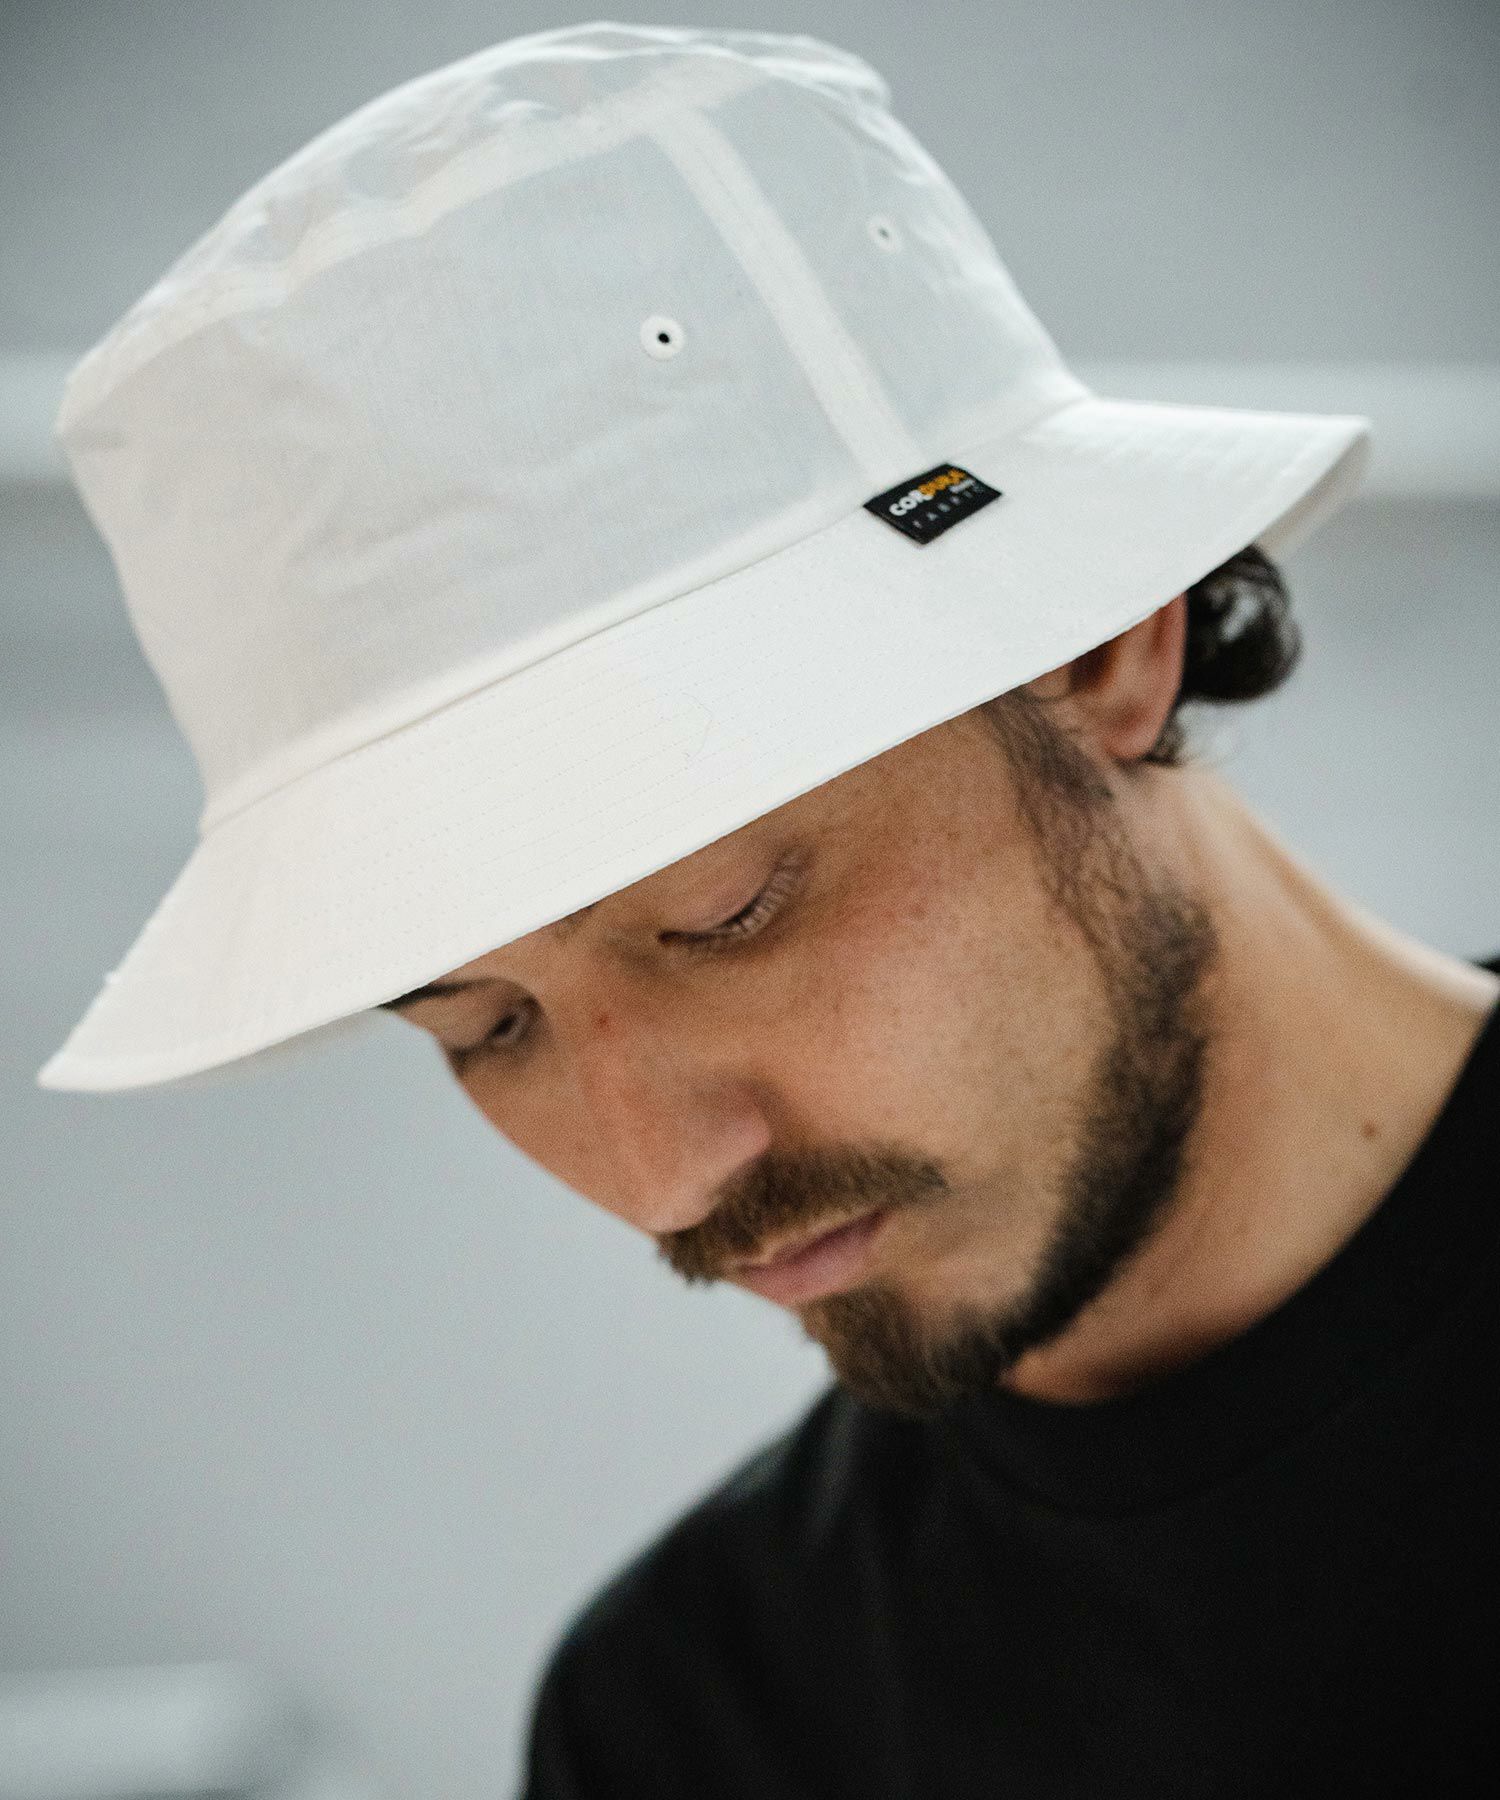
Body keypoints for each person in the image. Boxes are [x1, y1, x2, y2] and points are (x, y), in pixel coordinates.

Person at [34, 21, 1496, 1798]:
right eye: (485, 1029)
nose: (660, 1180)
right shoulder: (697, 1722)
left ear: (1100, 645)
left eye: (724, 915)